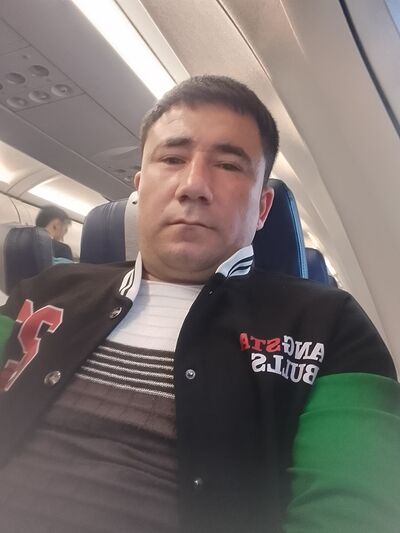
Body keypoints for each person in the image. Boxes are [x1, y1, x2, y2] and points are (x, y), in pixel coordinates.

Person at [0, 76, 399, 533]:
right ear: (139, 188)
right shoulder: (46, 289)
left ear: (262, 207)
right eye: (172, 159)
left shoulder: (330, 326)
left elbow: (355, 509)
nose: (193, 186)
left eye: (228, 165)